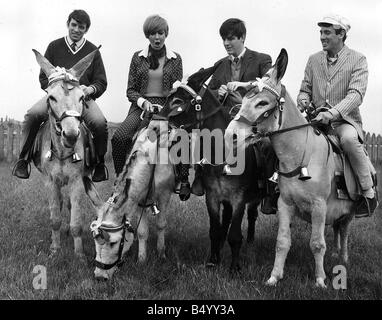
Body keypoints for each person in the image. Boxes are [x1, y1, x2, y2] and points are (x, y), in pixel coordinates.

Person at [191, 18, 277, 214]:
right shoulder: (220, 65)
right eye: (223, 39)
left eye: (231, 39)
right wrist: (217, 93)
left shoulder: (262, 59)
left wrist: (244, 86)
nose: (226, 43)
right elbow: (208, 94)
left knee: (268, 145)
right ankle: (199, 178)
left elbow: (268, 83)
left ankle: (267, 191)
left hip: (251, 120)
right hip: (225, 120)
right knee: (201, 136)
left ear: (243, 37)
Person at [12, 9, 108, 182]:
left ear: (86, 29)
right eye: (74, 25)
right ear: (68, 24)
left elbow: (101, 82)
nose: (77, 30)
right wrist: (54, 88)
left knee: (100, 123)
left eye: (82, 27)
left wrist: (90, 90)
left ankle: (99, 165)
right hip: (58, 100)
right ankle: (23, 159)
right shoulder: (54, 46)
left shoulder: (93, 51)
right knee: (32, 115)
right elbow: (43, 77)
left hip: (81, 99)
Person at [297, 14, 378, 217]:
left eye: (327, 33)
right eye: (321, 33)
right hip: (315, 120)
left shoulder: (358, 59)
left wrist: (332, 113)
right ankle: (276, 191)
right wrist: (303, 100)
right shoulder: (313, 59)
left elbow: (356, 95)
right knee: (289, 139)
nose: (322, 37)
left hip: (344, 121)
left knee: (349, 140)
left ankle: (368, 194)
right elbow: (304, 88)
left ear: (341, 34)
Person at [111, 15, 186, 196]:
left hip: (166, 108)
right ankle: (121, 180)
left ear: (166, 34)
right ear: (147, 35)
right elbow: (130, 90)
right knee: (119, 138)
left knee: (181, 136)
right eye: (153, 33)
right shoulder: (138, 58)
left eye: (160, 33)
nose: (157, 37)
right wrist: (143, 102)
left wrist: (168, 104)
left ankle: (182, 180)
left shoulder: (176, 59)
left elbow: (178, 90)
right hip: (141, 106)